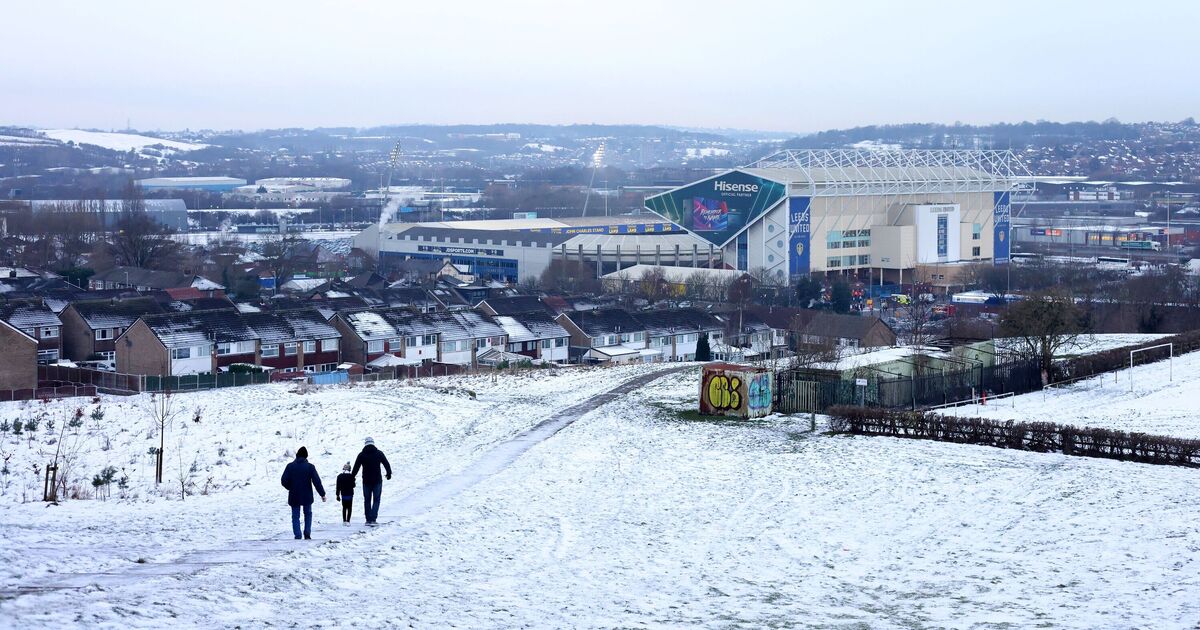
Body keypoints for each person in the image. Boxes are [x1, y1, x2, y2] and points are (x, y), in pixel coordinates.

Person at [280, 446, 326, 540]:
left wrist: (290, 487)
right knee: (308, 514)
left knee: (295, 516)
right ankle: (307, 533)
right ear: (306, 456)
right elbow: (317, 482)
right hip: (307, 495)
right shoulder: (310, 467)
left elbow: (283, 480)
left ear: (297, 455)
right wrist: (322, 494)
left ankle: (298, 535)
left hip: (294, 495)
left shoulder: (290, 466)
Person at [351, 437, 392, 525]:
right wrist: (389, 473)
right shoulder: (379, 453)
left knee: (367, 500)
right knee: (376, 499)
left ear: (365, 444)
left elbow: (356, 467)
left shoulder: (361, 455)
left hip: (366, 481)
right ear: (373, 443)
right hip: (377, 480)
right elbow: (386, 464)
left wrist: (352, 477)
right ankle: (373, 519)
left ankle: (368, 520)